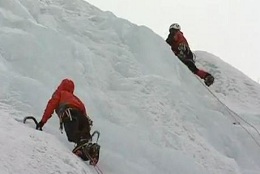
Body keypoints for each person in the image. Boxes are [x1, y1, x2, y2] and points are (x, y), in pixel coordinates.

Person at [36, 78, 93, 161]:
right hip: (82, 117)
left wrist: (42, 122)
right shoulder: (76, 98)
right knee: (83, 136)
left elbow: (51, 106)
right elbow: (83, 110)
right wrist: (86, 128)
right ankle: (88, 148)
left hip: (70, 114)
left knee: (72, 135)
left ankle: (83, 146)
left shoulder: (60, 93)